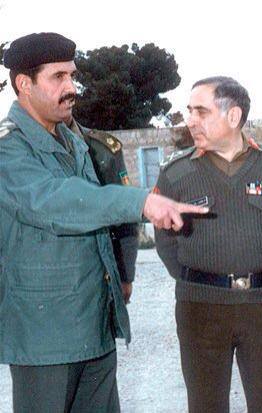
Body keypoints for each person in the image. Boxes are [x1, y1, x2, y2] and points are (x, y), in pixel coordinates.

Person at [0, 32, 207, 413]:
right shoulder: (8, 148)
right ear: (24, 84)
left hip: (92, 324)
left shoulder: (71, 139)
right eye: (58, 77)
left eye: (72, 76)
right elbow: (56, 201)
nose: (71, 87)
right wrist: (141, 201)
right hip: (45, 338)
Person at [154, 76, 262, 413]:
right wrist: (204, 279)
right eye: (189, 111)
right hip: (200, 308)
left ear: (233, 116)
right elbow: (166, 244)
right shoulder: (175, 174)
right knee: (205, 406)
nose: (191, 121)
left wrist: (254, 271)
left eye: (201, 112)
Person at [65, 117, 138, 303]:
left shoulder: (102, 149)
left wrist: (125, 275)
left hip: (96, 276)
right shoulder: (14, 147)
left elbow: (124, 213)